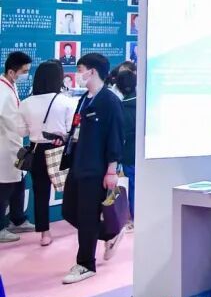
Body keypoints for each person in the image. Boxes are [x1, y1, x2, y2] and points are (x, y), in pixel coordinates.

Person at [60, 53, 123, 284]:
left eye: (80, 70)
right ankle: (110, 233)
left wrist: (111, 170)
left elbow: (115, 137)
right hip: (77, 164)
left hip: (95, 169)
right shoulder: (84, 99)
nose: (78, 74)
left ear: (92, 71)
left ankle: (86, 264)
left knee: (87, 217)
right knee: (69, 211)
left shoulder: (109, 101)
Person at [15, 59, 76, 246]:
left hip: (36, 150)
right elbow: (72, 130)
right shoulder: (66, 101)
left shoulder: (26, 103)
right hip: (59, 149)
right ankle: (78, 224)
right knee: (70, 189)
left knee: (40, 193)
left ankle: (44, 234)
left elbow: (21, 132)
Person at [0, 52, 33, 243]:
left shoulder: (10, 85)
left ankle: (18, 220)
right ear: (12, 72)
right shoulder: (2, 91)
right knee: (4, 188)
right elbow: (10, 120)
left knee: (19, 182)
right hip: (5, 147)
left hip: (14, 145)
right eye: (24, 71)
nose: (27, 75)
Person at [108, 63, 137, 228]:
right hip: (139, 152)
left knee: (126, 185)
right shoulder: (143, 102)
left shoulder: (120, 107)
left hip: (125, 154)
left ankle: (122, 216)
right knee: (134, 185)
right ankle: (135, 215)